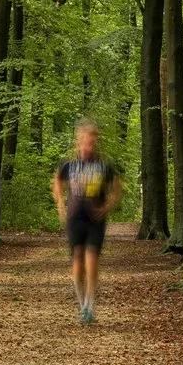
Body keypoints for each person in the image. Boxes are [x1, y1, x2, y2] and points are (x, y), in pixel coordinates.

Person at [51, 119, 122, 324]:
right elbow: (57, 181)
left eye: (92, 142)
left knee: (91, 261)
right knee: (77, 262)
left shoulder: (104, 165)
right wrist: (60, 204)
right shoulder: (68, 164)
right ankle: (81, 304)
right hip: (75, 218)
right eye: (85, 142)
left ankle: (90, 306)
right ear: (78, 142)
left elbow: (117, 188)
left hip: (95, 219)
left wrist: (108, 205)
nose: (88, 146)